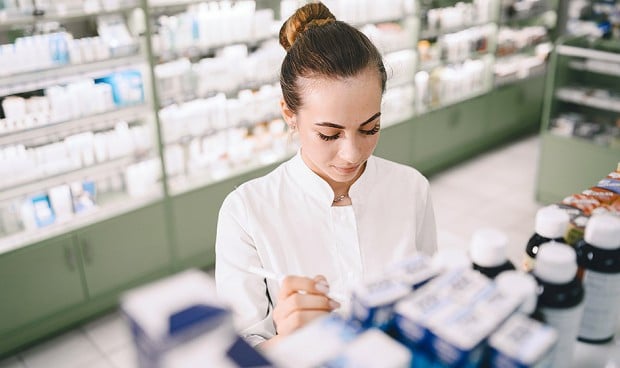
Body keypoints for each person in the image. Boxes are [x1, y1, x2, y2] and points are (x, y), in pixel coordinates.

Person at [215, 2, 437, 348]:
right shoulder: (246, 211)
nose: (352, 154)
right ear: (290, 114)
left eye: (370, 128)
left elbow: (430, 302)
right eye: (329, 135)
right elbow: (237, 353)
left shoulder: (411, 189)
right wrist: (286, 337)